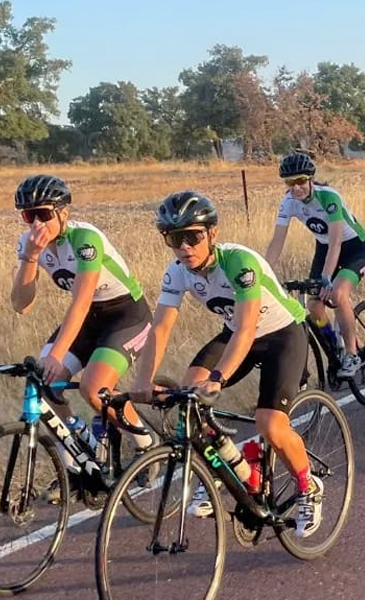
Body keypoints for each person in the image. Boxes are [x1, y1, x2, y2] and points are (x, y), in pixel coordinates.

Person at [132, 191, 322, 538]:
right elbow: (159, 329)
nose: (185, 247)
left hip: (281, 334)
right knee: (190, 398)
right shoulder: (177, 273)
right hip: (235, 333)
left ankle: (308, 486)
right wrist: (142, 381)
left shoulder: (238, 263)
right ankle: (237, 471)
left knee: (270, 425)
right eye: (176, 239)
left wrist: (219, 378)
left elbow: (248, 327)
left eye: (193, 237)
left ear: (212, 234)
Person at [11, 175, 155, 470]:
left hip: (126, 315)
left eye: (43, 214)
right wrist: (31, 257)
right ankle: (74, 467)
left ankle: (145, 445)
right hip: (90, 320)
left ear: (64, 213)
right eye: (29, 216)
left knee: (95, 388)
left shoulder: (86, 240)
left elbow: (81, 301)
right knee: (43, 388)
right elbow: (21, 305)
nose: (36, 224)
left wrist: (56, 354)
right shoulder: (29, 245)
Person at [264, 152, 365, 378]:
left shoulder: (329, 197)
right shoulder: (288, 203)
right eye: (290, 182)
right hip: (324, 250)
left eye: (301, 181)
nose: (296, 188)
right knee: (314, 307)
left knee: (337, 294)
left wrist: (327, 279)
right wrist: (263, 272)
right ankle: (336, 347)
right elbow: (277, 241)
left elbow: (336, 244)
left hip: (354, 248)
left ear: (311, 179)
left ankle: (352, 354)